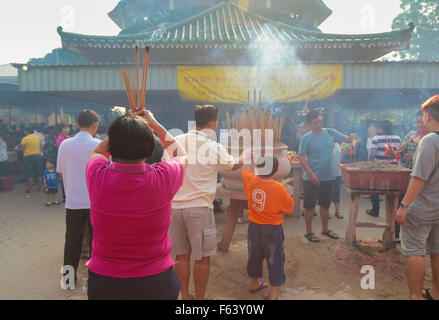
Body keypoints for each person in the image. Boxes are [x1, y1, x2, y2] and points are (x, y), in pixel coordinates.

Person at [85, 110, 187, 300]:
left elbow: (98, 152)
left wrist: (124, 128)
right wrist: (153, 123)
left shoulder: (97, 175)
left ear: (113, 146)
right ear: (150, 147)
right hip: (156, 281)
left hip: (106, 281)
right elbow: (180, 155)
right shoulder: (163, 177)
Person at [170, 105, 243, 300]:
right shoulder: (213, 146)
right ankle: (200, 301)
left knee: (181, 257)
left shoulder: (175, 141)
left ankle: (185, 298)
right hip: (199, 209)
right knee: (202, 259)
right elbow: (233, 165)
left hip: (175, 208)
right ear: (212, 124)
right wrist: (246, 156)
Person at [395, 95, 439, 300]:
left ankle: (416, 296)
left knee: (414, 250)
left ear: (427, 116)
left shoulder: (430, 139)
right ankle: (436, 292)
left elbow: (419, 177)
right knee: (437, 250)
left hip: (423, 208)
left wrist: (404, 205)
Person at [298, 110, 357, 243]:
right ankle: (309, 231)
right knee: (309, 206)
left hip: (328, 176)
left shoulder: (330, 132)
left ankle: (325, 229)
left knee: (325, 205)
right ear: (309, 125)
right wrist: (312, 174)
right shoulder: (306, 138)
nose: (320, 123)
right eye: (316, 122)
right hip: (311, 177)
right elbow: (301, 157)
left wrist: (353, 135)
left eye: (320, 120)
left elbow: (347, 139)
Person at [57, 110, 101, 286]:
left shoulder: (65, 145)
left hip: (73, 202)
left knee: (71, 242)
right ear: (95, 125)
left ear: (76, 124)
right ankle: (95, 279)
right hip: (94, 202)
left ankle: (68, 280)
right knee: (95, 243)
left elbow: (60, 171)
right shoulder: (99, 145)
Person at [242, 155, 294, 300]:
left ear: (257, 168)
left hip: (254, 227)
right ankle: (273, 294)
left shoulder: (250, 180)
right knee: (275, 259)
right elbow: (289, 209)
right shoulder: (279, 188)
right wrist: (291, 196)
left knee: (254, 255)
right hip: (272, 229)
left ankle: (254, 283)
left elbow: (245, 171)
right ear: (276, 171)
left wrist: (250, 160)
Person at [366, 120, 402, 217]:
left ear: (380, 128)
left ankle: (375, 210)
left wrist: (369, 165)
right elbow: (399, 153)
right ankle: (393, 212)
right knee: (392, 191)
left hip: (379, 169)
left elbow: (372, 153)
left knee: (374, 189)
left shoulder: (376, 138)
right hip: (393, 169)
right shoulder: (398, 138)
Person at [20, 127, 42, 196]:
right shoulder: (38, 137)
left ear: (26, 131)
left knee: (29, 173)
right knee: (38, 172)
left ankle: (31, 189)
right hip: (37, 156)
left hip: (28, 157)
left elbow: (23, 149)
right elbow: (41, 145)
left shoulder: (25, 139)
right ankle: (39, 187)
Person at [331, 142, 343, 219]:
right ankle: (326, 211)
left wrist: (343, 153)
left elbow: (339, 156)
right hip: (327, 172)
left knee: (337, 192)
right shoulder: (325, 144)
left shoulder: (338, 144)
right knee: (327, 193)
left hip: (337, 172)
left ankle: (337, 211)